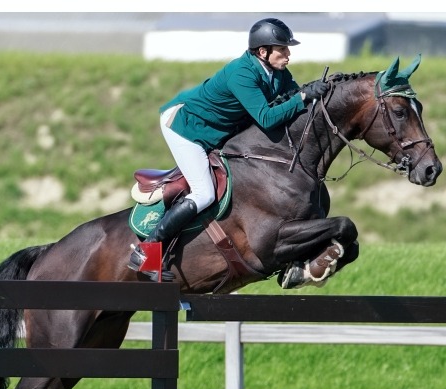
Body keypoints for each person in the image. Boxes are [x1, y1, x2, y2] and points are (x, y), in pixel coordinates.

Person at [128, 17, 330, 274]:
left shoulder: (278, 73)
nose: (288, 54)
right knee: (204, 194)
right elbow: (267, 118)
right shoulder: (242, 73)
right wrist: (302, 97)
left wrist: (309, 93)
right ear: (262, 51)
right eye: (283, 49)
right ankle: (146, 252)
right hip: (186, 127)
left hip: (217, 131)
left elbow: (290, 100)